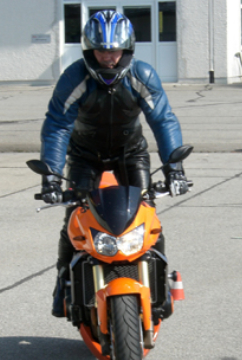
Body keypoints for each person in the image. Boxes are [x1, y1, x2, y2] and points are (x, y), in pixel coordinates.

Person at [40, 10, 189, 317]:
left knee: (148, 219)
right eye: (101, 50)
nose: (108, 58)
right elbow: (57, 126)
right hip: (84, 156)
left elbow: (163, 120)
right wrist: (52, 178)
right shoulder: (74, 78)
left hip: (130, 153)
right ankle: (62, 284)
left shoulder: (142, 76)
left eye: (114, 50)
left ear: (128, 49)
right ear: (88, 50)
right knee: (75, 222)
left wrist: (175, 169)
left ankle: (158, 289)